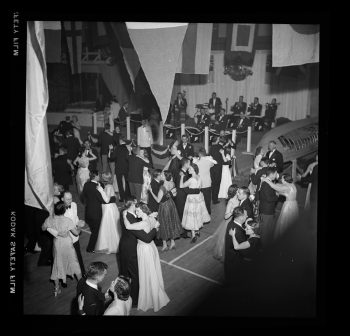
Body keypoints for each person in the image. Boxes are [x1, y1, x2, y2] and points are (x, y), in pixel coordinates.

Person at [122, 203, 170, 312]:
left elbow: (128, 226)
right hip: (151, 247)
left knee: (147, 272)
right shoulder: (151, 219)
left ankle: (150, 297)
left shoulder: (143, 223)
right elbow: (154, 225)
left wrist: (124, 216)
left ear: (143, 211)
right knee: (152, 271)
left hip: (144, 249)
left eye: (138, 211)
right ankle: (155, 294)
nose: (136, 212)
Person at [118, 197, 158, 307]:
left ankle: (127, 296)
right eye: (136, 204)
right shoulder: (129, 217)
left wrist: (149, 216)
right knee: (134, 275)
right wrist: (155, 228)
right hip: (129, 250)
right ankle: (135, 301)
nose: (138, 207)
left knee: (129, 274)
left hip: (130, 247)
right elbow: (146, 238)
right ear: (133, 204)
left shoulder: (126, 213)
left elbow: (142, 220)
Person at [41, 202, 82, 296]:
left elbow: (43, 228)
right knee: (74, 263)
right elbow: (76, 233)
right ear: (64, 210)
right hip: (67, 244)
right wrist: (79, 226)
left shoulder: (50, 219)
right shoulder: (67, 220)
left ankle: (56, 289)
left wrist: (55, 232)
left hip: (57, 244)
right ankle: (82, 287)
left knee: (57, 264)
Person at [148, 170, 182, 251]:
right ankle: (172, 242)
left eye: (163, 175)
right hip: (171, 204)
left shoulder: (162, 187)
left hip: (164, 206)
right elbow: (174, 195)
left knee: (163, 224)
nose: (161, 175)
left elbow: (158, 200)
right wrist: (168, 195)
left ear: (165, 176)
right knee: (171, 222)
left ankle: (164, 245)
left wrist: (151, 191)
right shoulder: (172, 183)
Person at [81, 170, 113, 253]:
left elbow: (83, 197)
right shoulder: (97, 187)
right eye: (99, 175)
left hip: (88, 212)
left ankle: (95, 246)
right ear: (95, 176)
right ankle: (90, 248)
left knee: (94, 230)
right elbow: (103, 200)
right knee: (95, 232)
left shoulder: (86, 184)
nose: (100, 177)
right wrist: (112, 198)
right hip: (96, 214)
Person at [261, 174, 299, 240]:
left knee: (285, 222)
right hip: (294, 204)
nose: (281, 180)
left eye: (282, 179)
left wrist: (266, 180)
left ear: (285, 180)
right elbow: (279, 185)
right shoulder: (291, 184)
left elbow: (275, 187)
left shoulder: (286, 187)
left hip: (289, 206)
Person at [181, 164, 211, 243]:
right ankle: (197, 231)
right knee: (197, 214)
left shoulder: (191, 179)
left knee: (191, 217)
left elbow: (182, 185)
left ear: (194, 170)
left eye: (190, 169)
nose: (188, 170)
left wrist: (181, 177)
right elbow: (200, 187)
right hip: (199, 198)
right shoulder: (199, 177)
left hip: (191, 199)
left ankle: (193, 235)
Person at [211, 184, 240, 262]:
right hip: (229, 221)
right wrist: (232, 211)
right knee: (225, 240)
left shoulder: (239, 199)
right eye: (238, 191)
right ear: (234, 192)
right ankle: (223, 253)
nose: (239, 192)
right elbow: (226, 216)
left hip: (237, 221)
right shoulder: (231, 202)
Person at [95, 173, 121, 254]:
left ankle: (112, 246)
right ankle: (108, 246)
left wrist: (100, 190)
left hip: (109, 210)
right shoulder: (107, 186)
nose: (101, 178)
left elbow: (106, 200)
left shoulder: (109, 187)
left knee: (109, 227)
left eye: (102, 177)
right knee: (107, 227)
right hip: (107, 209)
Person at [62, 191, 86, 275]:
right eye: (67, 199)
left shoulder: (74, 204)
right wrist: (78, 227)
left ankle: (83, 272)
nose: (70, 201)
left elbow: (75, 217)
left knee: (78, 255)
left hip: (75, 237)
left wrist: (79, 222)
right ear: (62, 199)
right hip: (66, 238)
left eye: (71, 198)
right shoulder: (60, 210)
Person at [224, 206, 248, 285]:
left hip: (229, 258)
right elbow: (243, 250)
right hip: (235, 261)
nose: (247, 216)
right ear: (241, 217)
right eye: (245, 215)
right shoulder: (238, 232)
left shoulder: (231, 223)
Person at [175, 158, 201, 226]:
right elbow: (184, 188)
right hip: (181, 196)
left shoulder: (185, 172)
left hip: (184, 195)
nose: (190, 165)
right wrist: (196, 191)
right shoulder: (181, 174)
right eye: (189, 164)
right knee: (181, 214)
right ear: (185, 164)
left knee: (184, 214)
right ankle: (182, 232)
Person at [258, 167, 279, 247]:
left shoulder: (267, 182)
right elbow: (269, 198)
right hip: (266, 210)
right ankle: (264, 247)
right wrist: (276, 196)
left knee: (266, 230)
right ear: (272, 174)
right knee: (265, 231)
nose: (277, 175)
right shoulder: (266, 184)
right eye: (276, 173)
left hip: (267, 209)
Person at [193, 148, 217, 214]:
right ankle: (208, 212)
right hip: (207, 183)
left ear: (199, 154)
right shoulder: (209, 161)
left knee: (199, 199)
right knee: (207, 199)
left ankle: (200, 212)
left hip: (199, 184)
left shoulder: (196, 162)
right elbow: (213, 164)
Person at [109, 137, 132, 202]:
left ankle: (122, 198)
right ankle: (128, 196)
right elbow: (129, 158)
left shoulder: (117, 148)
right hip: (126, 168)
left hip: (118, 168)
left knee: (120, 183)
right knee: (127, 183)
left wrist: (111, 150)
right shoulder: (128, 147)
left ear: (120, 141)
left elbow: (112, 158)